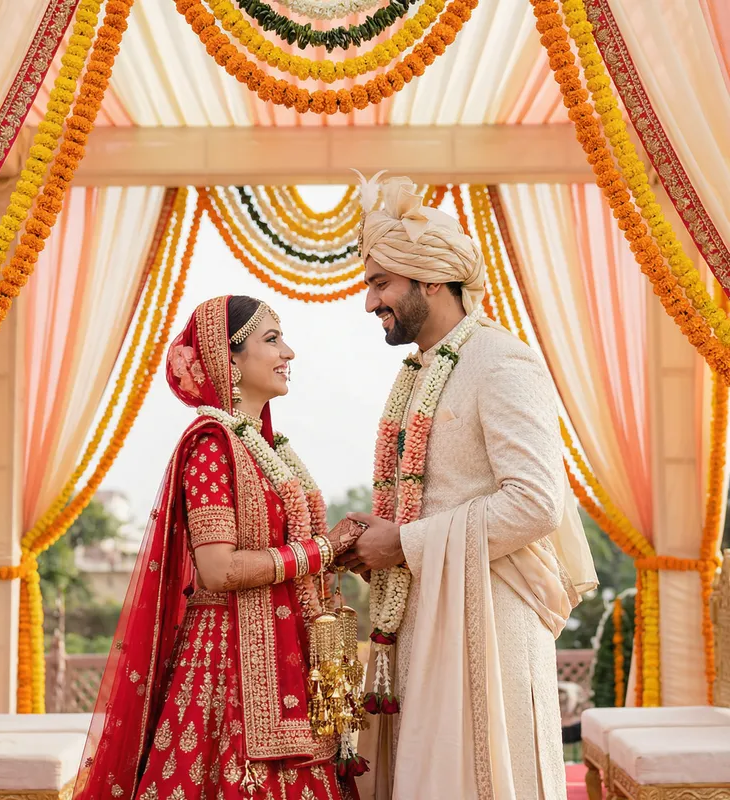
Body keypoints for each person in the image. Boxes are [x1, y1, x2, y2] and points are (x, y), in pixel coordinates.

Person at [338, 175, 598, 800]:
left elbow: (535, 501)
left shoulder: (500, 361)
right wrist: (375, 541)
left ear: (430, 280)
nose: (370, 303)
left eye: (380, 283)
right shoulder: (418, 372)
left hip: (490, 616)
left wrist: (405, 542)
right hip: (422, 613)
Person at [73, 296, 362, 800]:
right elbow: (216, 568)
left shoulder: (270, 448)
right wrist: (323, 550)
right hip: (228, 668)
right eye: (271, 340)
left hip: (286, 658)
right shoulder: (211, 444)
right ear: (228, 359)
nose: (288, 352)